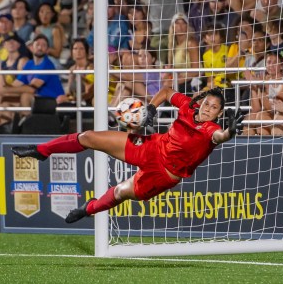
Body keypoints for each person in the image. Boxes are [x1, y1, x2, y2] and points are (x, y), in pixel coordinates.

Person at [13, 86, 246, 223]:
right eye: (206, 104)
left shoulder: (211, 130)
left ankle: (88, 209)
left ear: (220, 113)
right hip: (151, 147)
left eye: (213, 108)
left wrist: (230, 132)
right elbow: (166, 91)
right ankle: (41, 150)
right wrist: (151, 108)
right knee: (89, 137)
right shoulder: (189, 107)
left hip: (163, 175)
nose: (207, 109)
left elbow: (220, 137)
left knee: (120, 192)